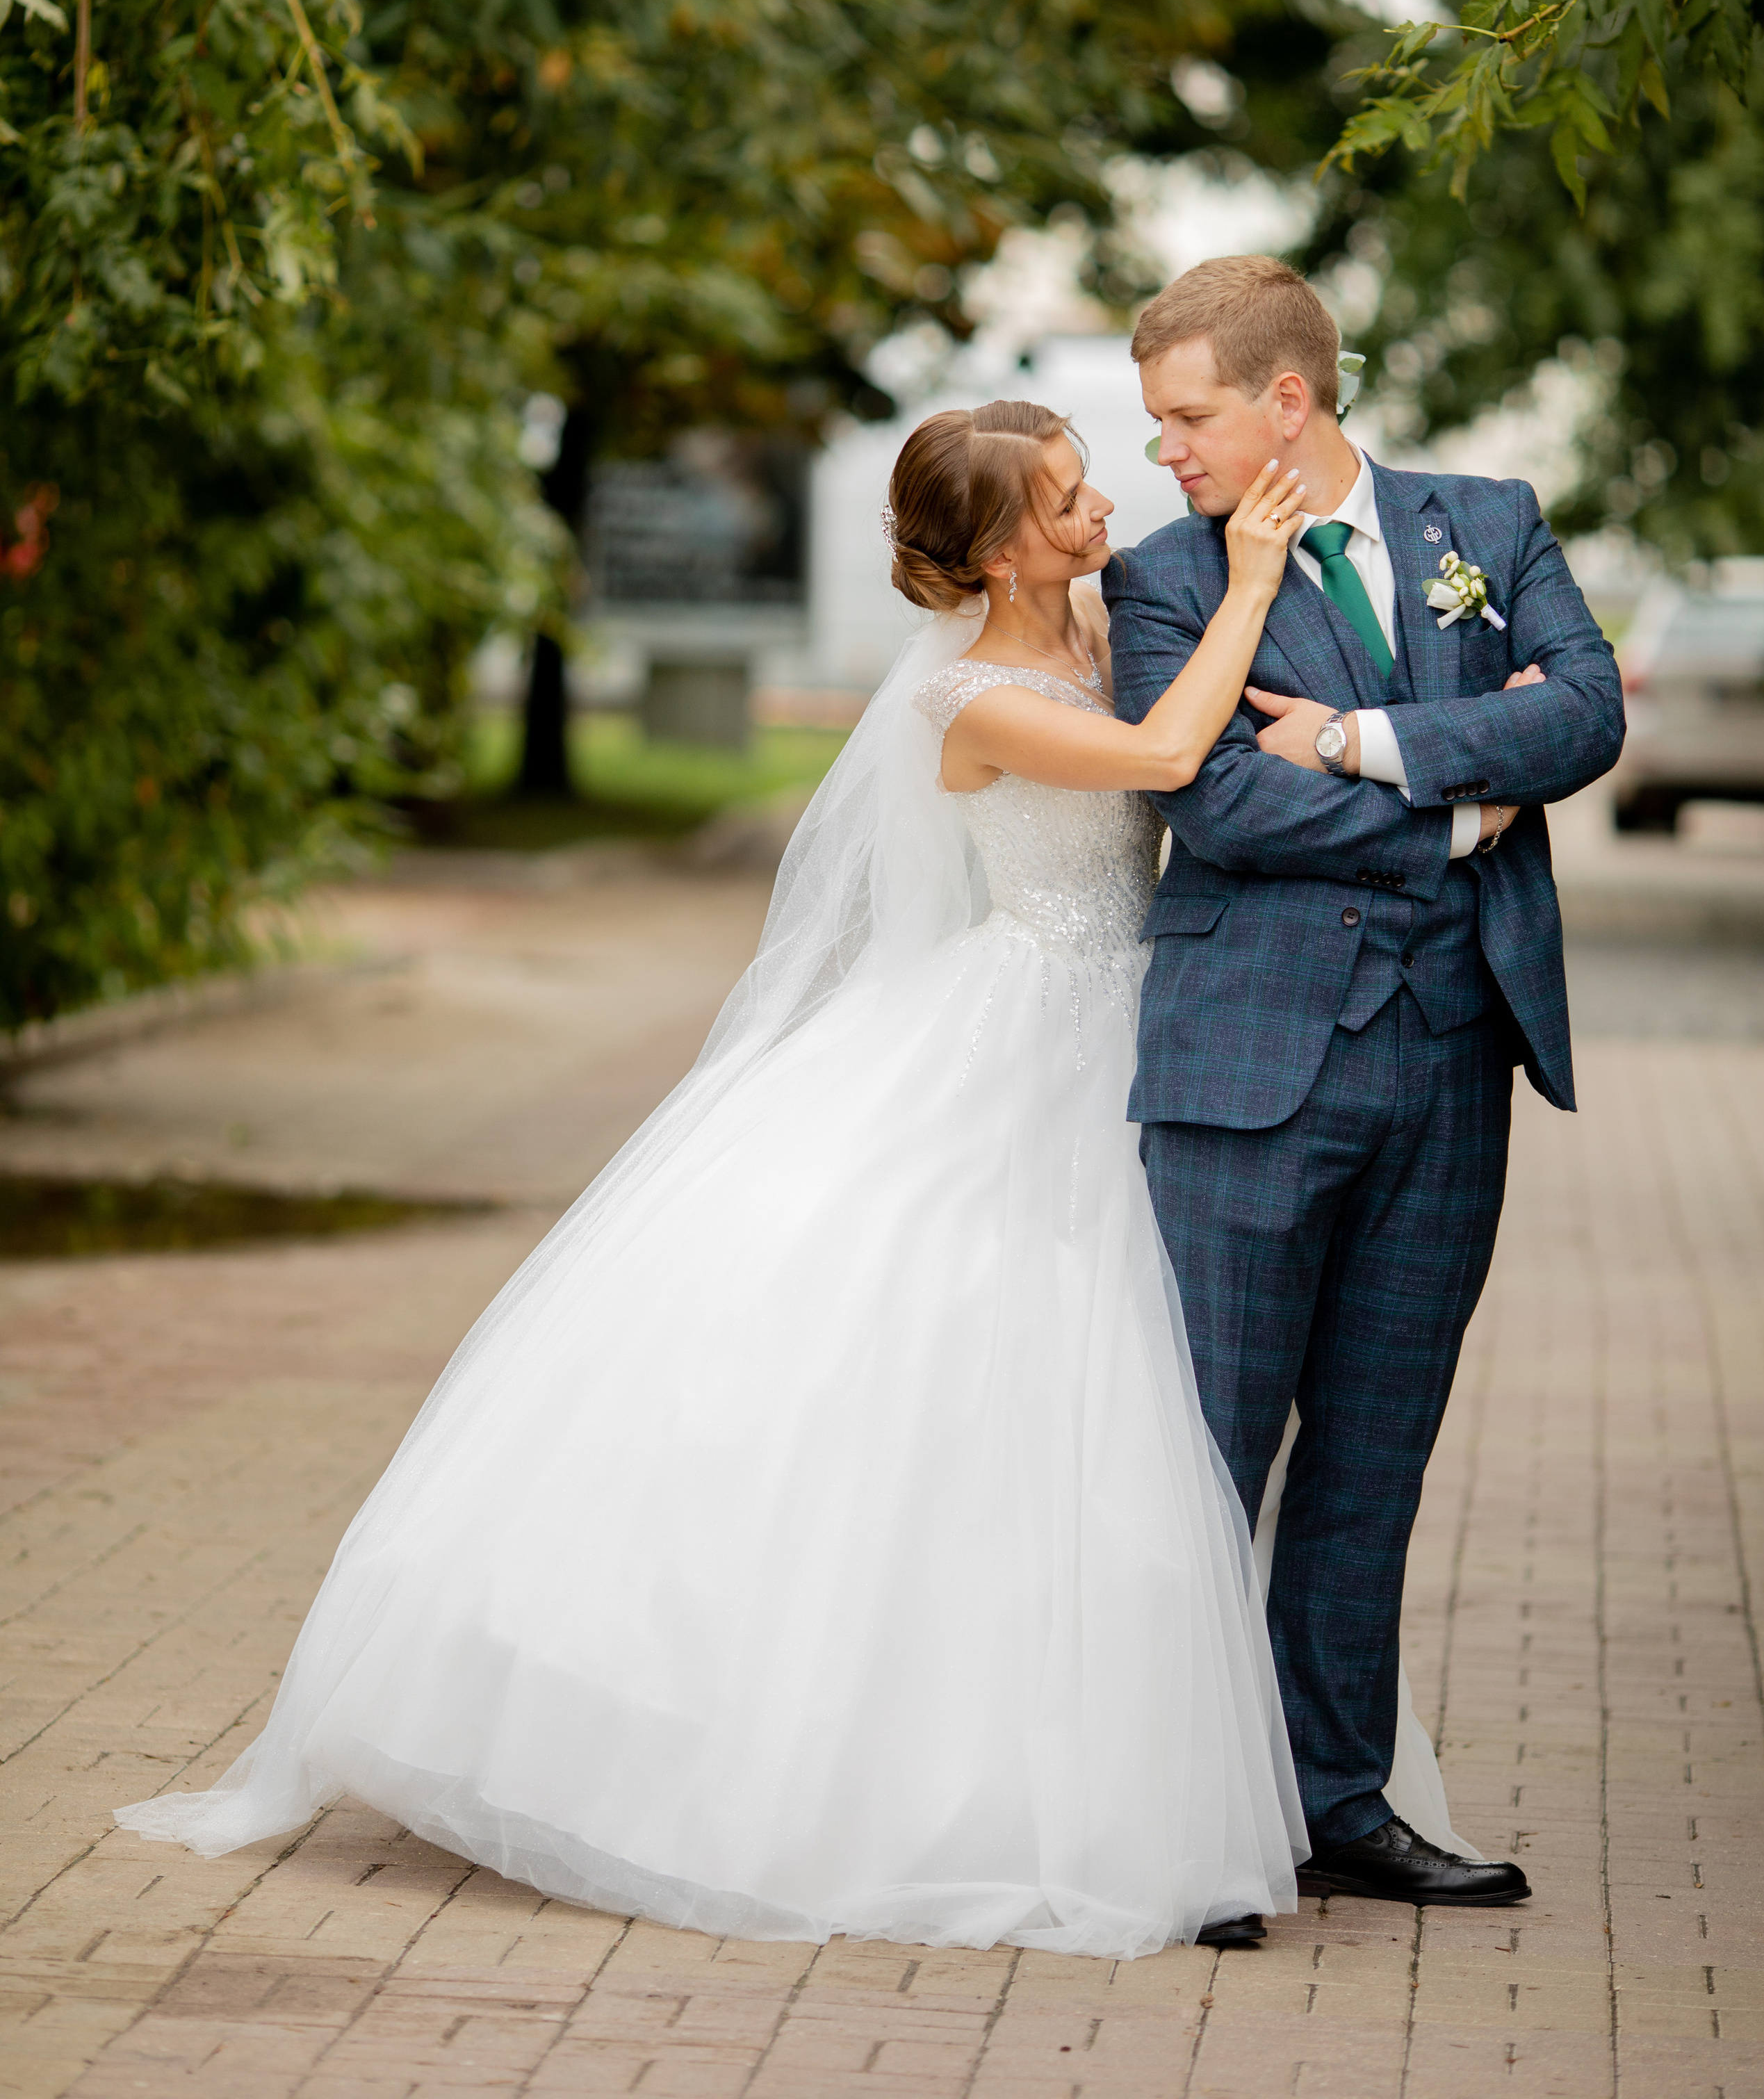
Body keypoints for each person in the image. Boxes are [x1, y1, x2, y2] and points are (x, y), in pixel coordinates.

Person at [117, 404, 1322, 1959]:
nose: (1101, 513)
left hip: (1125, 1028)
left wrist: (1314, 715)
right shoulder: (971, 700)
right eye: (1070, 500)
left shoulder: (1095, 623)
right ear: (1000, 548)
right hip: (1024, 1035)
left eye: (1093, 488)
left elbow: (1214, 722)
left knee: (1079, 1390)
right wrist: (1247, 577)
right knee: (994, 1367)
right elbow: (1166, 754)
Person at [1103, 254, 1626, 1909]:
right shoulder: (1162, 582)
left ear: (1286, 399)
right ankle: (1178, 1829)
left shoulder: (1488, 523)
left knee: (1370, 1464)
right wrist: (1471, 806)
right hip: (1245, 1069)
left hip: (1452, 1065)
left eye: (1184, 417)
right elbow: (1217, 810)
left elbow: (1591, 716)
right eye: (1150, 424)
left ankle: (1338, 1805)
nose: (1161, 453)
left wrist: (1361, 745)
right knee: (1202, 1453)